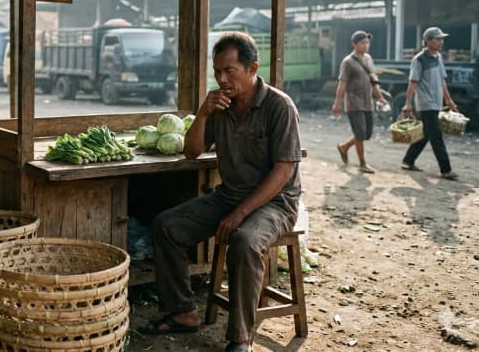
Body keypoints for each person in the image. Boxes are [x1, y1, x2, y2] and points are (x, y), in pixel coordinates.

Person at [140, 32, 301, 352]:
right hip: (231, 195)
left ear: (252, 68)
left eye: (230, 71)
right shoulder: (220, 106)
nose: (222, 79)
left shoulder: (278, 106)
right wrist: (202, 112)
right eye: (217, 72)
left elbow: (283, 172)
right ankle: (182, 311)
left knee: (243, 241)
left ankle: (240, 338)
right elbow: (191, 152)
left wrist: (240, 214)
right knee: (166, 226)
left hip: (276, 203)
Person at [401, 27, 459, 180]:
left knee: (425, 134)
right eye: (438, 39)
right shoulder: (419, 59)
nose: (441, 42)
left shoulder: (438, 57)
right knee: (436, 137)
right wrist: (407, 103)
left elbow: (442, 81)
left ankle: (408, 161)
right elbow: (412, 83)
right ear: (428, 41)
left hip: (436, 101)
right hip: (426, 103)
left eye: (441, 39)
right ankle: (446, 169)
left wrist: (449, 100)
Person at [332, 31, 388, 173]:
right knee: (360, 132)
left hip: (367, 101)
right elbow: (342, 84)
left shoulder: (368, 59)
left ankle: (344, 147)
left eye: (367, 43)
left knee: (366, 133)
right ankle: (362, 164)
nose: (366, 45)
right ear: (354, 44)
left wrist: (380, 97)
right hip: (353, 101)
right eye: (363, 43)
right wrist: (337, 103)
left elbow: (373, 81)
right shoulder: (347, 62)